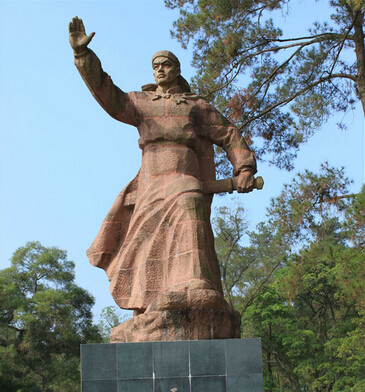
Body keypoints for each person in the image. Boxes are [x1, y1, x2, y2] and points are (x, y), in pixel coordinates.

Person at [69, 17, 257, 316]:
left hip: (185, 175)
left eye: (166, 64)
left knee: (189, 201)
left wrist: (244, 168)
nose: (160, 68)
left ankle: (196, 281)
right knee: (146, 245)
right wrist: (83, 56)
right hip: (151, 184)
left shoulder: (195, 105)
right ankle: (149, 306)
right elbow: (107, 93)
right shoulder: (142, 103)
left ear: (177, 70)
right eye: (155, 65)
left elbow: (229, 133)